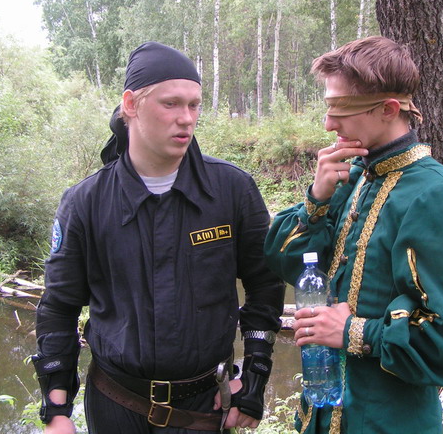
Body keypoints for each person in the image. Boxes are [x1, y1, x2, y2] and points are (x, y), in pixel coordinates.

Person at [32, 41, 285, 434]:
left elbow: (265, 286)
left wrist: (253, 378)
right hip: (115, 405)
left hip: (203, 409)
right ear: (131, 105)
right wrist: (57, 408)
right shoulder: (86, 202)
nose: (186, 118)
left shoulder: (232, 190)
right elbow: (58, 307)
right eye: (171, 104)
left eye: (194, 105)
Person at [263, 36, 443, 434]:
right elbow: (288, 262)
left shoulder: (438, 195)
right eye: (328, 108)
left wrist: (354, 332)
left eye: (341, 110)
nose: (328, 124)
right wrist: (317, 199)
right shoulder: (354, 178)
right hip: (320, 417)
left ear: (388, 109)